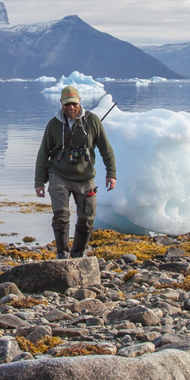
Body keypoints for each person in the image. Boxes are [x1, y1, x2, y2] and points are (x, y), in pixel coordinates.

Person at [34, 84, 116, 259]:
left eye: (73, 104)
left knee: (87, 218)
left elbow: (106, 149)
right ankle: (62, 253)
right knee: (61, 215)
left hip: (85, 177)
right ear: (61, 103)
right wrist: (39, 182)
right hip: (58, 175)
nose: (71, 107)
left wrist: (111, 173)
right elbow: (43, 154)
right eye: (66, 104)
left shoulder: (92, 121)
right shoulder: (53, 125)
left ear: (79, 101)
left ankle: (78, 253)